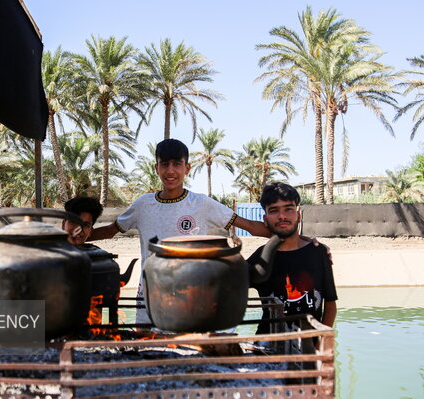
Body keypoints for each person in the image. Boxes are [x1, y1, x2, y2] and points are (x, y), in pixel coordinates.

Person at [88, 138, 271, 322]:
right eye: (165, 164)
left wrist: (285, 234)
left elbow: (250, 227)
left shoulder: (202, 204)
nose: (170, 171)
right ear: (156, 168)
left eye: (177, 164)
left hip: (192, 300)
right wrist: (75, 238)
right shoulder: (143, 204)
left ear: (187, 168)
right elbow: (110, 231)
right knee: (147, 348)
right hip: (150, 301)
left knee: (190, 347)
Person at [247, 182, 337, 334]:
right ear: (265, 219)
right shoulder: (261, 258)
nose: (282, 216)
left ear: (298, 214)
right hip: (268, 348)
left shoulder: (318, 252)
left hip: (308, 349)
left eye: (288, 209)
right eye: (274, 211)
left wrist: (321, 343)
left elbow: (330, 305)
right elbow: (227, 288)